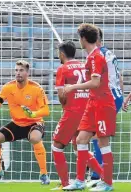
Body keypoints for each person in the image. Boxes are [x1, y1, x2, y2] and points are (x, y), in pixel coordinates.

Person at [0, 60, 50, 185]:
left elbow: (46, 110)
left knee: (35, 138)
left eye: (21, 70)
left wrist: (33, 114)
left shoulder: (36, 88)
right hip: (17, 123)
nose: (18, 73)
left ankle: (44, 174)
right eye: (16, 70)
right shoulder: (8, 87)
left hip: (34, 122)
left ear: (27, 72)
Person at [63, 23, 116, 191]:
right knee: (80, 140)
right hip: (92, 103)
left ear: (84, 39)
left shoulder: (96, 57)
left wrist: (72, 87)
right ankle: (79, 181)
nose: (79, 40)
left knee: (103, 143)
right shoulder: (91, 57)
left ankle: (107, 183)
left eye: (80, 37)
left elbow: (95, 82)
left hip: (103, 103)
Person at [51, 41, 98, 190]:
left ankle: (65, 183)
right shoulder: (85, 65)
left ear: (62, 54)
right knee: (80, 148)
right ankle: (104, 177)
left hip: (72, 112)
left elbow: (61, 96)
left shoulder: (62, 68)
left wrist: (65, 104)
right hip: (88, 111)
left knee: (57, 146)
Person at [87, 27, 124, 188]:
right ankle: (98, 174)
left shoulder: (98, 55)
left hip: (107, 97)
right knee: (97, 134)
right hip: (114, 95)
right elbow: (119, 76)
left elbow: (97, 81)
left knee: (97, 135)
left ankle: (100, 175)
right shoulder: (109, 53)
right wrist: (121, 97)